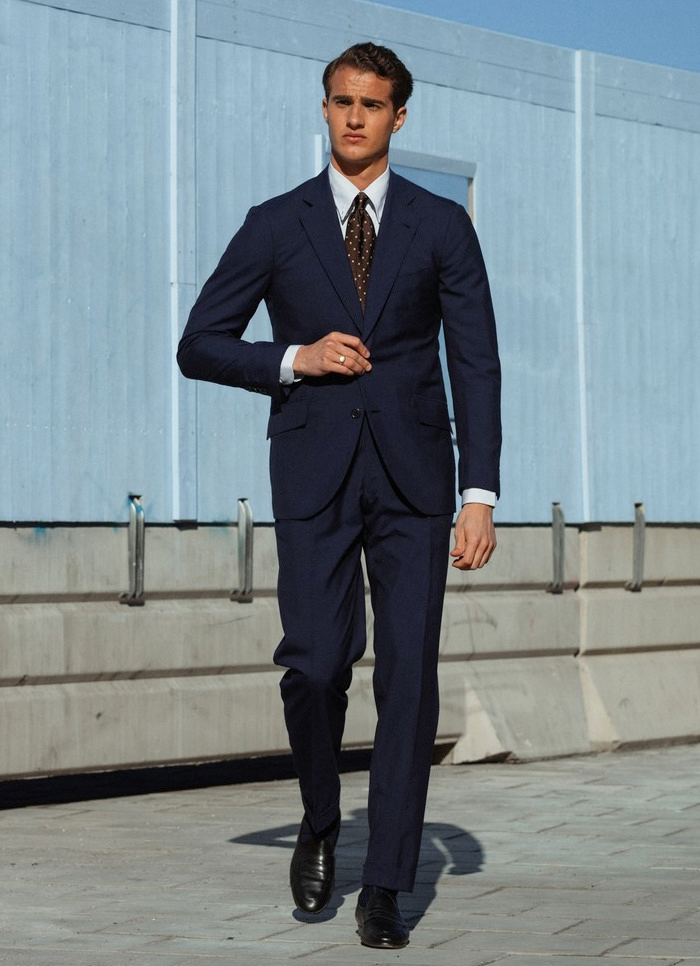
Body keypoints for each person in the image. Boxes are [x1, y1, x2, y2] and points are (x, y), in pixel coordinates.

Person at [177, 42, 501, 949]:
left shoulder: (441, 227)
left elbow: (475, 361)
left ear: (402, 116)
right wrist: (294, 358)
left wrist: (479, 492)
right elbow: (199, 342)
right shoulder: (275, 224)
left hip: (416, 483)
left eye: (372, 103)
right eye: (340, 102)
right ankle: (322, 818)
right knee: (315, 665)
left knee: (407, 681)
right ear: (324, 111)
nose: (354, 117)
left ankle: (387, 883)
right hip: (314, 472)